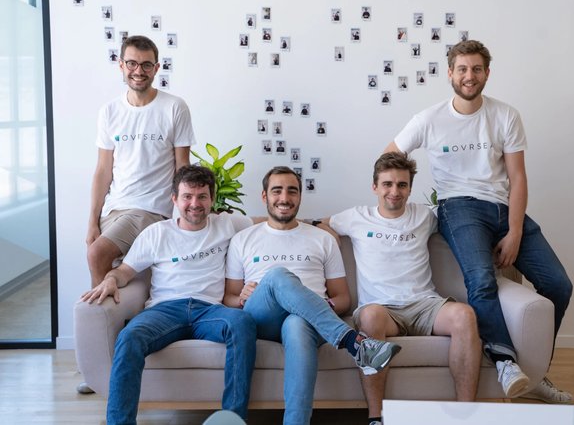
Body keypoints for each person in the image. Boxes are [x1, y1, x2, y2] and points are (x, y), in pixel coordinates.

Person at [384, 39, 573, 403]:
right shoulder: (428, 119)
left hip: (503, 208)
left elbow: (518, 177)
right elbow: (389, 157)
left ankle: (535, 372)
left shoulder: (506, 115)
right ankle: (505, 361)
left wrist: (514, 230)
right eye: (462, 69)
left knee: (559, 285)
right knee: (481, 280)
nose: (469, 76)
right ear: (450, 73)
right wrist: (399, 201)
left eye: (476, 69)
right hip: (458, 207)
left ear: (487, 73)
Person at [224, 166, 401, 425]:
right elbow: (228, 298)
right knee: (277, 276)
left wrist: (314, 306)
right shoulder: (243, 239)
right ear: (264, 196)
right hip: (262, 317)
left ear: (300, 196)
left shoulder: (322, 239)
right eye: (277, 191)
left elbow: (343, 298)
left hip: (311, 322)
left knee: (297, 322)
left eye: (292, 191)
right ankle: (353, 342)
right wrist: (241, 297)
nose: (284, 198)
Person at [80, 165, 257, 424]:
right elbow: (125, 271)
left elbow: (268, 222)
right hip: (164, 311)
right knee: (129, 337)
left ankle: (232, 418)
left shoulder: (227, 224)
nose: (194, 204)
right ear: (174, 199)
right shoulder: (157, 232)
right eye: (187, 196)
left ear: (212, 199)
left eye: (202, 196)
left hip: (210, 311)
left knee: (242, 322)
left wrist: (314, 223)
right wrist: (110, 280)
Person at [321, 152, 481, 425]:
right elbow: (320, 223)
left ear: (409, 188)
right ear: (375, 187)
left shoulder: (425, 215)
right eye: (387, 184)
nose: (394, 192)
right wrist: (330, 233)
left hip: (425, 304)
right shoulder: (356, 217)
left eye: (402, 185)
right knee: (370, 317)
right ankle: (376, 417)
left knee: (464, 315)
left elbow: (463, 224)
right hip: (382, 310)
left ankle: (466, 416)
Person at [86, 35, 195, 289]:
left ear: (156, 68)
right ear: (121, 65)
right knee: (117, 276)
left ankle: (97, 309)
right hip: (113, 210)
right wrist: (92, 221)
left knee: (96, 254)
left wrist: (183, 217)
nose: (139, 71)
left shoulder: (174, 107)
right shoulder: (109, 111)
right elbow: (103, 170)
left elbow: (183, 167)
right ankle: (110, 310)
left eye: (146, 65)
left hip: (150, 209)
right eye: (132, 63)